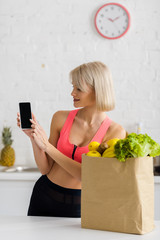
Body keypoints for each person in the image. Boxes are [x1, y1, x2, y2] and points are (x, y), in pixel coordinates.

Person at [17, 61, 126, 217]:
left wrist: (48, 147)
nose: (72, 93)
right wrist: (33, 138)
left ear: (97, 91)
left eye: (78, 89)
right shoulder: (60, 117)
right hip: (44, 197)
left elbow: (88, 176)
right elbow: (45, 169)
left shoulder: (115, 132)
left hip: (81, 205)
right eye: (73, 87)